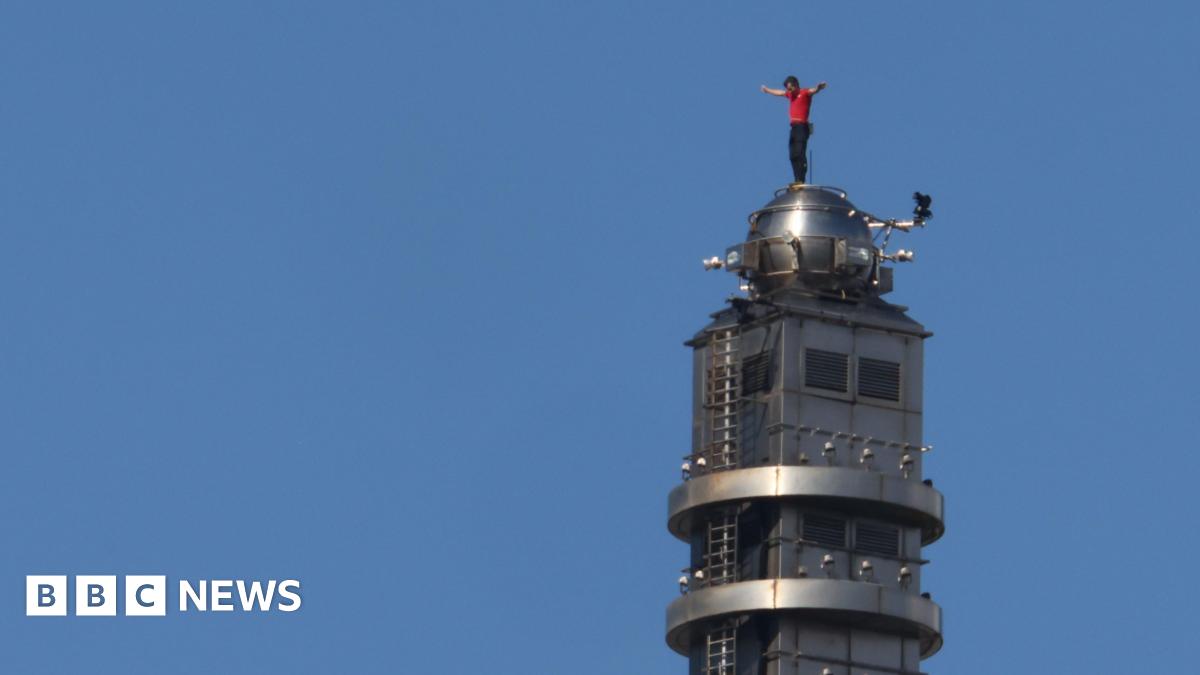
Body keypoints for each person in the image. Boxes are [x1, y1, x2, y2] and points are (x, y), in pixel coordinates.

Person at [761, 76, 827, 183]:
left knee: (800, 152)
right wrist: (767, 90)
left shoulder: (804, 92)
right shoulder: (790, 95)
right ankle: (797, 179)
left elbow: (813, 91)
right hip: (794, 128)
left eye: (790, 88)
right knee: (793, 155)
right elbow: (779, 93)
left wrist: (818, 88)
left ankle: (801, 179)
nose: (789, 91)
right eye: (788, 89)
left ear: (796, 85)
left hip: (802, 126)